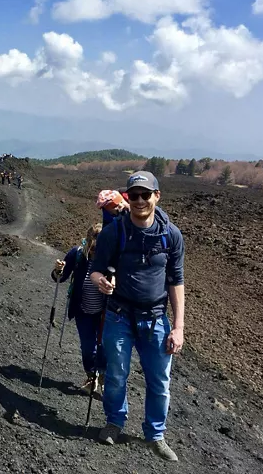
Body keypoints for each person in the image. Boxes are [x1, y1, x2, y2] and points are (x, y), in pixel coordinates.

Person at [89, 171, 185, 462]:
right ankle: (114, 423)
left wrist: (178, 327)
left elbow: (176, 281)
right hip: (118, 315)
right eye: (135, 195)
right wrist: (99, 282)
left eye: (146, 194)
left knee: (159, 380)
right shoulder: (113, 232)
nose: (140, 200)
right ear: (128, 198)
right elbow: (95, 269)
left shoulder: (171, 235)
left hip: (155, 318)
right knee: (116, 375)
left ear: (157, 196)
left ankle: (155, 434)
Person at [51, 223, 108, 394]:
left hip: (104, 312)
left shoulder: (109, 258)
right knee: (87, 346)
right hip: (82, 310)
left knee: (104, 346)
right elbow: (60, 278)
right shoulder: (77, 255)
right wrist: (58, 270)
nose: (94, 251)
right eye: (92, 246)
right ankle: (92, 376)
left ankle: (105, 377)